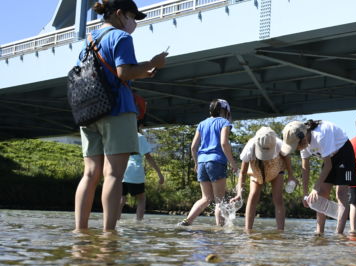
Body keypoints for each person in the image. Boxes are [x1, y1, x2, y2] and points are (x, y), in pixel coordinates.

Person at [74, 0, 168, 231]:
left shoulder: (89, 39)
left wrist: (142, 73)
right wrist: (152, 63)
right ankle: (109, 233)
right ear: (119, 14)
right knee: (114, 174)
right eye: (132, 17)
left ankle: (80, 230)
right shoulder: (121, 36)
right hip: (116, 109)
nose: (134, 22)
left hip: (89, 110)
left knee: (90, 174)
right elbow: (123, 73)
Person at [281, 119, 356, 235]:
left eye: (297, 145)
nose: (297, 148)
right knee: (321, 193)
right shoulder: (303, 145)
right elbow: (305, 168)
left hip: (344, 153)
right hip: (329, 157)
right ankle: (319, 232)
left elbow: (328, 165)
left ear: (304, 136)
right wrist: (305, 193)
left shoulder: (321, 135)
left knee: (341, 194)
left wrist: (315, 188)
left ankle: (339, 234)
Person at [178, 99, 238, 227]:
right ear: (224, 111)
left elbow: (193, 147)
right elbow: (223, 143)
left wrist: (196, 163)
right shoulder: (224, 122)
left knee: (205, 198)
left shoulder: (202, 123)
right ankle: (219, 230)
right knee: (219, 201)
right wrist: (232, 163)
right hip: (216, 162)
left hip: (202, 162)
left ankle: (186, 221)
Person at [233, 127, 297, 231]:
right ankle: (248, 230)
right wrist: (239, 193)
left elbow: (287, 158)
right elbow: (243, 172)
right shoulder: (250, 146)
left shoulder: (279, 143)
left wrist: (291, 175)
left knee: (278, 198)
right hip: (256, 170)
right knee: (253, 195)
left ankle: (280, 231)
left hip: (276, 168)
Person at [120, 120, 165, 220]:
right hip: (135, 170)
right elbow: (148, 157)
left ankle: (114, 220)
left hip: (122, 169)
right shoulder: (140, 137)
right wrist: (159, 174)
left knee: (122, 197)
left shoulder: (123, 136)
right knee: (141, 198)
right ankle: (138, 223)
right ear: (140, 126)